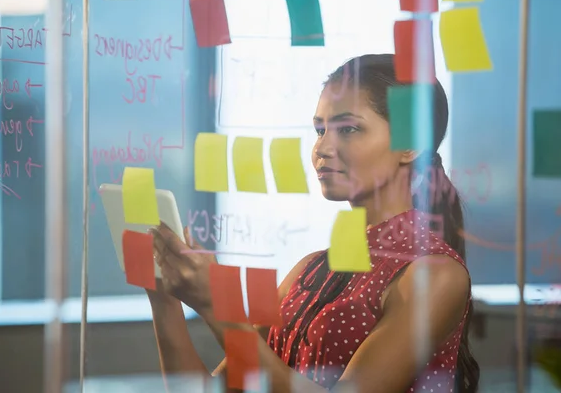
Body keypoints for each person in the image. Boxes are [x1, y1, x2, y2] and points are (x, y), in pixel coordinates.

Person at [147, 54, 480, 393]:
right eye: (320, 129)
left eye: (348, 129)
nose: (322, 148)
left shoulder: (436, 274)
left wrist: (216, 306)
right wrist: (163, 299)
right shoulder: (307, 270)